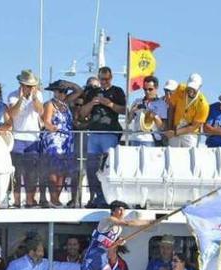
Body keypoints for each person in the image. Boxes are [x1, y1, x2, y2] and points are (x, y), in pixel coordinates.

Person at [78, 66, 126, 208]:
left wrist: (109, 104)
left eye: (106, 79)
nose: (104, 81)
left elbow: (124, 110)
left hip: (110, 133)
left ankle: (107, 198)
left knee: (108, 167)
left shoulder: (117, 91)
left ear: (111, 78)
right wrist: (93, 102)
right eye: (101, 79)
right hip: (93, 134)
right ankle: (95, 197)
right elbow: (82, 114)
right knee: (92, 167)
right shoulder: (92, 92)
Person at [41, 80, 83, 207]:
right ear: (54, 92)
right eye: (60, 91)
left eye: (65, 91)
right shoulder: (50, 104)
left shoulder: (66, 103)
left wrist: (69, 84)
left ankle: (56, 198)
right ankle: (53, 198)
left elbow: (79, 90)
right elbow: (46, 122)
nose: (62, 94)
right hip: (54, 138)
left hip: (66, 139)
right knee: (53, 169)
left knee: (63, 170)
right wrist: (53, 128)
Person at [8, 70, 45, 207]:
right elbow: (12, 113)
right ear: (21, 85)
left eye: (32, 86)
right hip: (17, 137)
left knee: (32, 173)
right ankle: (17, 201)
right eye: (27, 86)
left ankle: (30, 200)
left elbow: (40, 111)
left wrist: (34, 98)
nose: (30, 88)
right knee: (17, 172)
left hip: (33, 138)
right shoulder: (12, 96)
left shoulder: (38, 95)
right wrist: (22, 99)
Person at [163, 73, 209, 148]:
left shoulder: (203, 104)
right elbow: (171, 107)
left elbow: (194, 126)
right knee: (173, 155)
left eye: (194, 88)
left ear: (200, 87)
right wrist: (170, 128)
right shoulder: (180, 88)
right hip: (175, 127)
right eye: (190, 86)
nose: (191, 90)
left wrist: (176, 132)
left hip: (190, 134)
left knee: (188, 157)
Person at [127, 76, 168, 146]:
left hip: (150, 139)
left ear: (156, 88)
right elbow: (128, 121)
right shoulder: (137, 101)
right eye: (145, 89)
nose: (147, 92)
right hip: (135, 138)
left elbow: (163, 127)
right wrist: (132, 111)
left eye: (150, 89)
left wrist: (155, 116)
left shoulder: (161, 104)